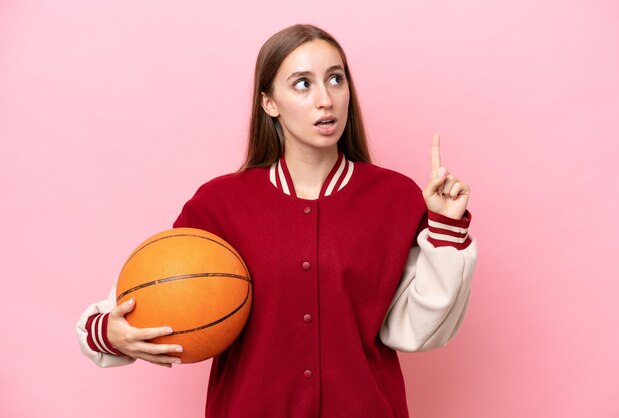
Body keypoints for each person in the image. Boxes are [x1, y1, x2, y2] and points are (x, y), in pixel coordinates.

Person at [76, 23, 477, 417]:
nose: (325, 99)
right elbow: (139, 301)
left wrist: (445, 227)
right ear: (269, 103)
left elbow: (419, 329)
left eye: (335, 80)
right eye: (303, 84)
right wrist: (107, 333)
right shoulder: (219, 204)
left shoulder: (395, 198)